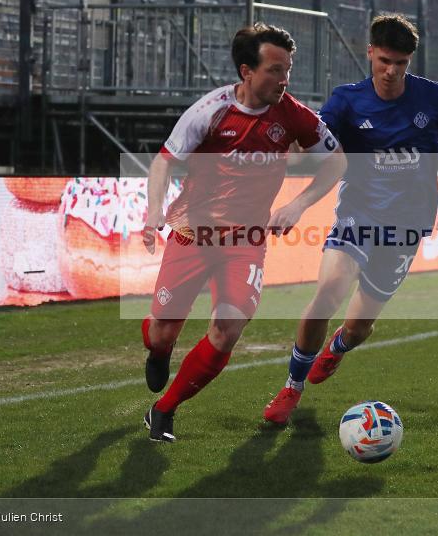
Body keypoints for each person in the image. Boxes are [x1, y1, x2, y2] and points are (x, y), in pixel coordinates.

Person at [262, 14, 438, 425]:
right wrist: (288, 156)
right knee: (326, 293)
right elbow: (315, 146)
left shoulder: (435, 98)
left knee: (359, 327)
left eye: (400, 63)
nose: (391, 71)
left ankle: (339, 347)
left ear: (410, 61)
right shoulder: (347, 100)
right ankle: (292, 386)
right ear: (370, 53)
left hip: (406, 227)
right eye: (384, 60)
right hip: (357, 216)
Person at [139, 23, 347, 442]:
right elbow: (164, 162)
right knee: (163, 330)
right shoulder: (209, 111)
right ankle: (159, 351)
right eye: (274, 69)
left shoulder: (293, 115)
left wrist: (298, 203)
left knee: (228, 327)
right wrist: (154, 211)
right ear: (246, 71)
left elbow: (338, 161)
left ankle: (163, 410)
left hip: (246, 241)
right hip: (192, 232)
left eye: (287, 69)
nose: (283, 79)